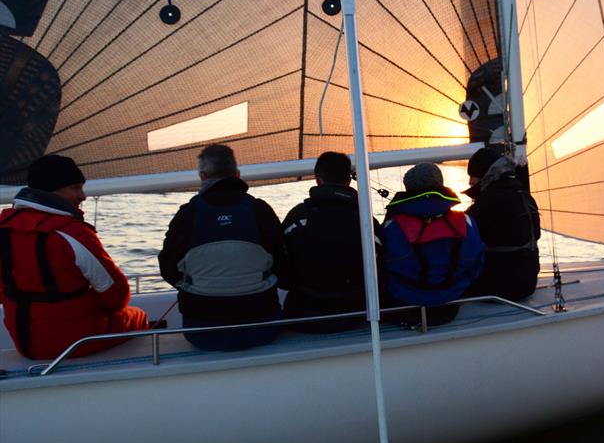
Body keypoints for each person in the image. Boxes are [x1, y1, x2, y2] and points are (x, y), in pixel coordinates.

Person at [0, 155, 150, 359]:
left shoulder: (4, 228)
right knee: (139, 316)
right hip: (73, 342)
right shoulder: (71, 233)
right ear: (52, 190)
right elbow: (116, 296)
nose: (83, 196)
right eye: (75, 188)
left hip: (24, 343)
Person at [159, 144, 285, 351]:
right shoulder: (260, 211)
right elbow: (282, 267)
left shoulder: (187, 215)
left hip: (202, 332)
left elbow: (168, 270)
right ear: (237, 174)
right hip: (262, 328)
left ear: (202, 175)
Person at [280, 152, 382, 333]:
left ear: (317, 180)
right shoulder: (365, 220)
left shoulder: (299, 217)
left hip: (304, 314)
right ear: (349, 181)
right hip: (354, 313)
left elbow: (280, 265)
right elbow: (381, 264)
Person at [381, 162, 484, 326]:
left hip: (406, 303)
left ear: (408, 188)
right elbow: (477, 261)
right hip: (451, 301)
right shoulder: (466, 222)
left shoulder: (392, 227)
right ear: (440, 184)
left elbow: (383, 266)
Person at [464, 145, 541, 300]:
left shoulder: (487, 202)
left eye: (473, 175)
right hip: (527, 283)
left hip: (497, 288)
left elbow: (463, 237)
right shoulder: (523, 194)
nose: (470, 182)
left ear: (485, 174)